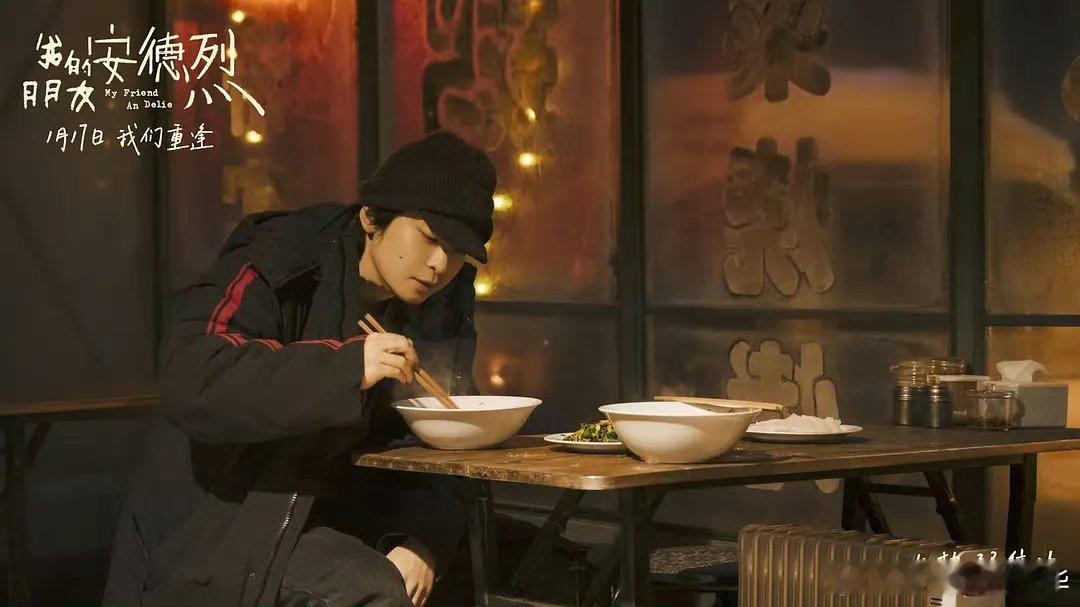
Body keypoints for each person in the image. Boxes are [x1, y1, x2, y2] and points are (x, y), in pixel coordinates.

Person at [104, 130, 496, 607]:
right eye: (430, 238)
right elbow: (194, 375)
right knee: (371, 588)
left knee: (531, 563)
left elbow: (445, 430)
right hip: (226, 516)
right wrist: (346, 366)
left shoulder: (443, 300)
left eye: (457, 252)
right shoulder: (285, 254)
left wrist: (424, 539)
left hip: (343, 504)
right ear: (372, 217)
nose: (440, 265)